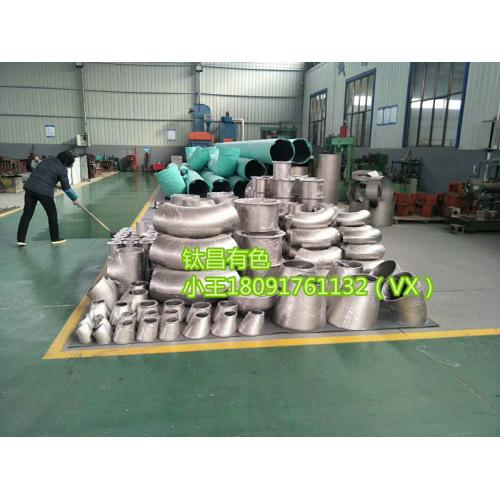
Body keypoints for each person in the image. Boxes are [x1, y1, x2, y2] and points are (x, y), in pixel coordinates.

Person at [17, 151, 82, 246]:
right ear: (66, 161)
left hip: (30, 188)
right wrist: (75, 199)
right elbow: (66, 188)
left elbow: (43, 175)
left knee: (27, 213)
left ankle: (21, 240)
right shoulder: (62, 169)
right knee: (52, 214)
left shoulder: (47, 160)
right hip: (44, 192)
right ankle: (55, 238)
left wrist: (54, 184)